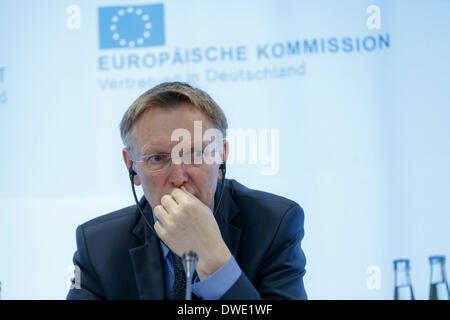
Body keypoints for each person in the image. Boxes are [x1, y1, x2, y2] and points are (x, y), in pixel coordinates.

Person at [66, 82, 307, 300]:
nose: (179, 178)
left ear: (222, 155)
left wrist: (216, 263)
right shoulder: (98, 245)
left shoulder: (275, 224)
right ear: (132, 166)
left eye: (195, 154)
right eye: (157, 158)